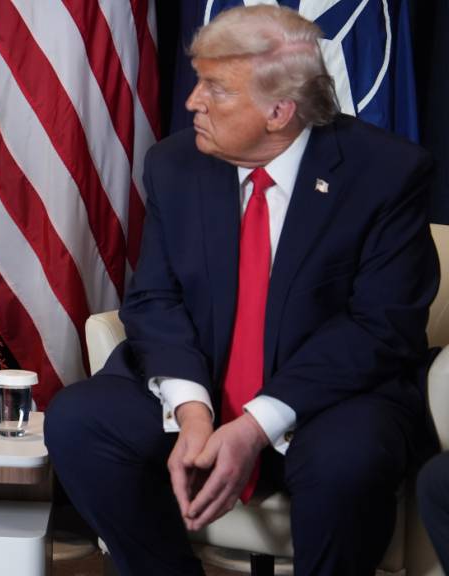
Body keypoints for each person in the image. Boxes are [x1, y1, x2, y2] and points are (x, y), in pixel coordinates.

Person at [45, 5, 438, 576]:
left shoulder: (387, 173)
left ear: (280, 110)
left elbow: (381, 326)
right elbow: (155, 299)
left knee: (349, 460)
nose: (192, 103)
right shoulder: (175, 164)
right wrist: (194, 414)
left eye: (215, 89)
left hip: (327, 399)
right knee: (81, 420)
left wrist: (255, 425)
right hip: (205, 379)